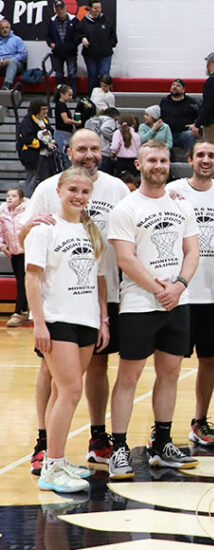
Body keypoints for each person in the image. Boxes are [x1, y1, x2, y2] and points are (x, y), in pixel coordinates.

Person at [21, 129, 129, 471]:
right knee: (53, 374)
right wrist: (37, 319)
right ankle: (45, 444)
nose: (89, 154)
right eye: (82, 148)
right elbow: (26, 240)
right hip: (57, 301)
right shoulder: (45, 189)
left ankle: (98, 438)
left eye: (95, 148)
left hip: (99, 295)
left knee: (98, 366)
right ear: (69, 152)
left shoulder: (116, 189)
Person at [106, 139, 199, 480]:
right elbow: (125, 259)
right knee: (129, 377)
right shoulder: (126, 208)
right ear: (140, 164)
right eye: (151, 160)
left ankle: (161, 442)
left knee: (170, 373)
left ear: (168, 164)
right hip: (138, 304)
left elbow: (192, 251)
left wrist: (180, 286)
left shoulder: (182, 205)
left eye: (163, 160)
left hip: (178, 301)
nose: (158, 165)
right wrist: (160, 289)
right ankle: (119, 447)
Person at [25, 167, 109, 493]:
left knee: (63, 393)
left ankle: (57, 459)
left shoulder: (91, 231)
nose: (78, 196)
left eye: (85, 192)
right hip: (57, 319)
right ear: (59, 191)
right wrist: (39, 322)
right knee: (72, 391)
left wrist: (103, 318)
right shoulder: (45, 229)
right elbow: (32, 278)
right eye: (72, 189)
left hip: (86, 320)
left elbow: (98, 279)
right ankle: (51, 467)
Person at [166, 140, 214, 449]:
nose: (206, 160)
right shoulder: (173, 190)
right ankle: (162, 426)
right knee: (169, 364)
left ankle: (199, 420)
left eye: (211, 155)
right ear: (190, 159)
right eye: (200, 155)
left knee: (209, 361)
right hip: (181, 293)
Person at [17, 100, 58, 195]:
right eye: (43, 109)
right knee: (32, 179)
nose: (45, 111)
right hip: (32, 155)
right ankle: (27, 199)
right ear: (36, 109)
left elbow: (50, 132)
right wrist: (44, 145)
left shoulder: (44, 120)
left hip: (46, 155)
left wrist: (53, 143)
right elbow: (27, 139)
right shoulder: (27, 122)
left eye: (46, 109)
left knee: (47, 179)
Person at [1, 189, 29, 327]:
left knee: (22, 282)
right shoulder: (2, 212)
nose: (9, 198)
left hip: (27, 251)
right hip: (13, 251)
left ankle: (17, 313)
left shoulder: (27, 211)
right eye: (8, 196)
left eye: (13, 196)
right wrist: (2, 246)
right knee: (20, 280)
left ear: (21, 199)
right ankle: (24, 310)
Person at [75, 1, 116, 92]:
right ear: (90, 8)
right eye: (95, 8)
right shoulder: (83, 22)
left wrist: (109, 45)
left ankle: (105, 96)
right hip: (90, 55)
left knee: (104, 75)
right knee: (92, 76)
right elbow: (77, 34)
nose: (98, 10)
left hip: (105, 54)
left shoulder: (107, 20)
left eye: (99, 8)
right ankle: (92, 97)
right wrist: (82, 39)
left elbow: (113, 36)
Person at [46, 1, 80, 95]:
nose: (60, 11)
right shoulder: (52, 22)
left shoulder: (74, 20)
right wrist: (51, 43)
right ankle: (59, 95)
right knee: (59, 74)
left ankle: (72, 94)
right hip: (57, 52)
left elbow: (78, 36)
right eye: (58, 9)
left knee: (72, 73)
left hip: (71, 52)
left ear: (65, 8)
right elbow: (48, 36)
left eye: (61, 9)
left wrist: (72, 46)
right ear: (55, 11)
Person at [160, 79, 200, 156]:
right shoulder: (164, 101)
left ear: (183, 90)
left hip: (183, 133)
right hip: (167, 133)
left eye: (178, 86)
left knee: (190, 135)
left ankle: (189, 159)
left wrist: (195, 125)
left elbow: (200, 116)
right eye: (173, 85)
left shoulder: (191, 102)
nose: (175, 87)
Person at [84, 106, 118, 175]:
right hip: (103, 151)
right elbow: (104, 129)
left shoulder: (91, 120)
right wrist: (113, 137)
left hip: (89, 151)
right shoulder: (109, 120)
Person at [53, 85, 80, 165]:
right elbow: (65, 120)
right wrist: (76, 122)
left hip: (64, 133)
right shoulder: (61, 105)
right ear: (62, 94)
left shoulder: (61, 104)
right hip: (62, 134)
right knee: (65, 157)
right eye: (69, 95)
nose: (71, 97)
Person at [0, 18, 27, 91]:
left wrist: (10, 60)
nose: (5, 30)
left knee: (12, 63)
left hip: (15, 64)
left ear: (9, 28)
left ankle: (6, 85)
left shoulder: (17, 39)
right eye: (2, 28)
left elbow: (23, 54)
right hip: (1, 63)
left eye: (6, 28)